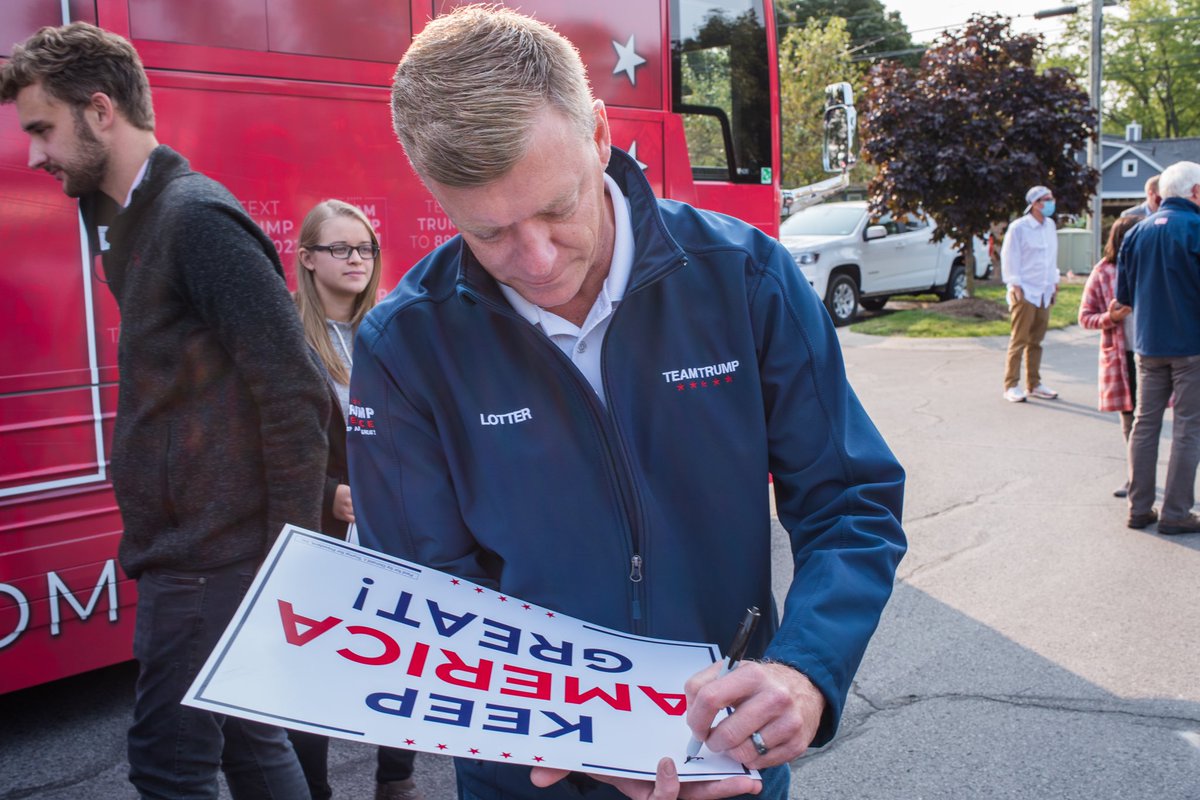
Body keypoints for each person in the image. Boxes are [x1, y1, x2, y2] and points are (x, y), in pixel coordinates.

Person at [347, 7, 907, 800]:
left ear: (602, 135)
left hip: (728, 752)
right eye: (489, 232)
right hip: (533, 777)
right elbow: (422, 595)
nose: (536, 260)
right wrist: (580, 736)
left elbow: (849, 500)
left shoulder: (746, 280)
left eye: (557, 207)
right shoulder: (405, 346)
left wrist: (806, 671)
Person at [1, 23, 328, 799]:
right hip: (196, 548)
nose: (33, 154)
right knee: (252, 745)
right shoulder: (131, 221)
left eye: (43, 128)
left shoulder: (194, 220)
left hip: (210, 558)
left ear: (101, 109)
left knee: (167, 765)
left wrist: (289, 559)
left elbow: (294, 390)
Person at [287, 199, 424, 800]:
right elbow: (262, 449)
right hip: (321, 534)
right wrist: (328, 494)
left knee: (404, 661)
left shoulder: (393, 328)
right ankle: (313, 790)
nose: (356, 260)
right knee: (310, 671)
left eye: (365, 247)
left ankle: (396, 781)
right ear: (308, 259)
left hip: (396, 527)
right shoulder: (286, 339)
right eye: (340, 249)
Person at [1116, 160, 1200, 535]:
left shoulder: (1136, 233)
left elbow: (1125, 296)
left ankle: (1139, 507)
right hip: (1191, 345)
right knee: (1187, 427)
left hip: (1147, 343)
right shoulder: (1196, 229)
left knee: (1145, 425)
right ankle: (1176, 511)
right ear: (1194, 192)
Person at [1078, 216, 1141, 497]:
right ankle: (1135, 477)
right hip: (1121, 353)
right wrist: (1110, 317)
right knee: (1130, 419)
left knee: (1149, 420)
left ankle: (1159, 479)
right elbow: (1085, 317)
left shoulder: (1151, 266)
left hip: (1153, 352)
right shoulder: (1103, 272)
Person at [1000, 185, 1061, 403]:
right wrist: (1015, 285)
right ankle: (1011, 384)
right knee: (1019, 339)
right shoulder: (1019, 228)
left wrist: (1054, 282)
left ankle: (1034, 383)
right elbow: (1009, 257)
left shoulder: (1050, 226)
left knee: (1037, 340)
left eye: (1051, 198)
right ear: (1035, 203)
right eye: (1046, 199)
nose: (1051, 202)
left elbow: (1052, 257)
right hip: (1025, 290)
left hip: (1044, 290)